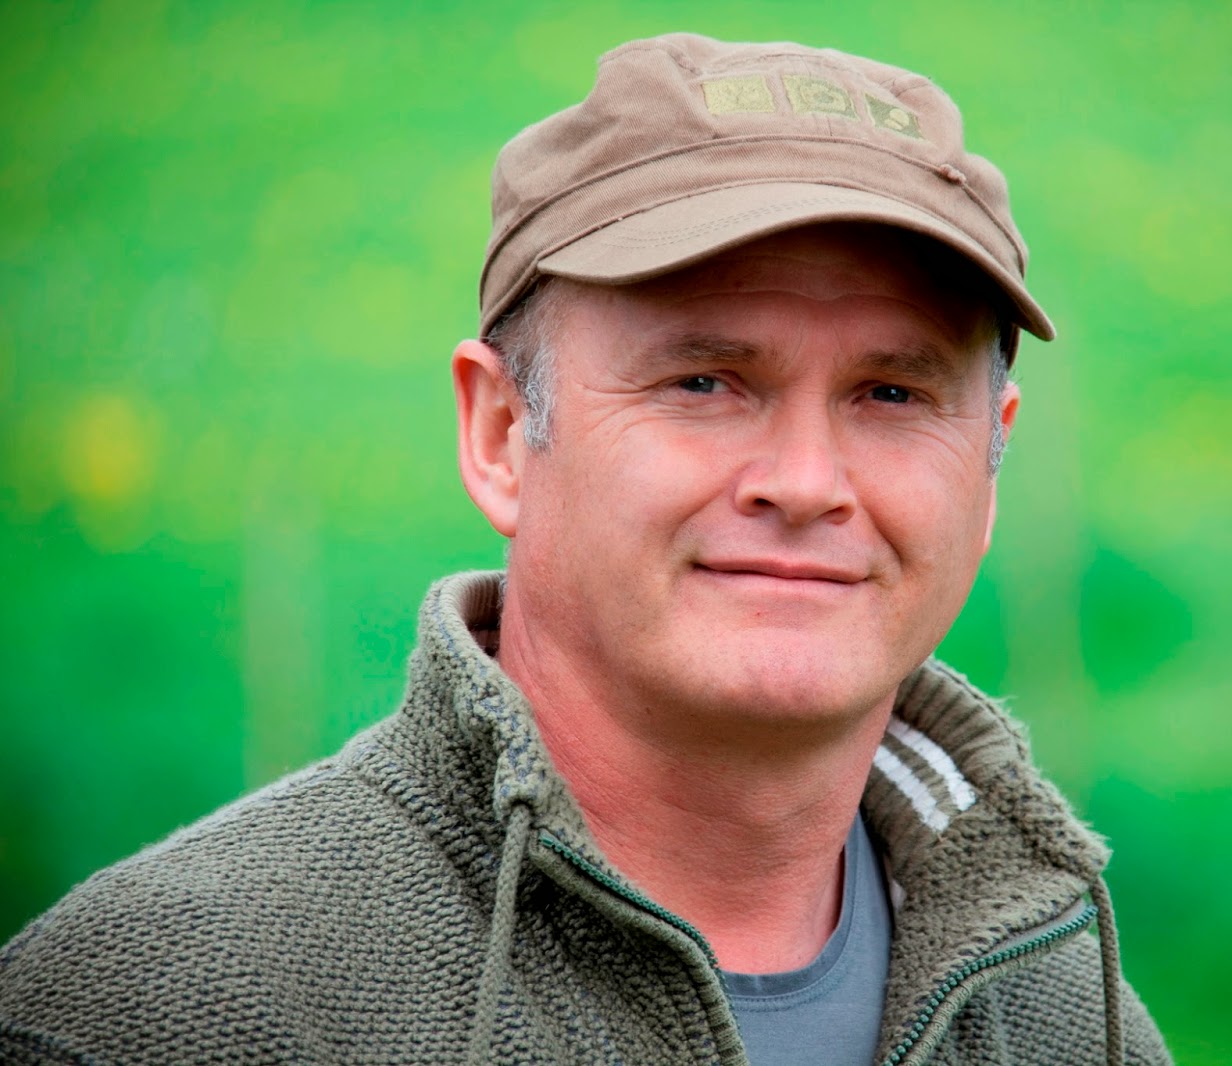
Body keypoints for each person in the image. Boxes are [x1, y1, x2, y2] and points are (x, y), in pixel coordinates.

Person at [0, 33, 1170, 1066]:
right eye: (704, 381)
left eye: (893, 394)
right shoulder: (149, 1011)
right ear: (501, 433)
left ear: (990, 462)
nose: (807, 481)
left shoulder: (1067, 1011)